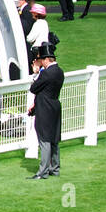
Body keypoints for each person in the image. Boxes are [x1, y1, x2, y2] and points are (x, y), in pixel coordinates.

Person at [28, 44, 63, 179]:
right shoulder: (59, 71)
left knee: (44, 140)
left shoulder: (47, 73)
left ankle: (42, 172)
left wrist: (37, 73)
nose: (40, 62)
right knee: (54, 139)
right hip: (54, 106)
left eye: (42, 60)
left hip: (45, 109)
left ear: (47, 59)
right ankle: (55, 169)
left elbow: (34, 88)